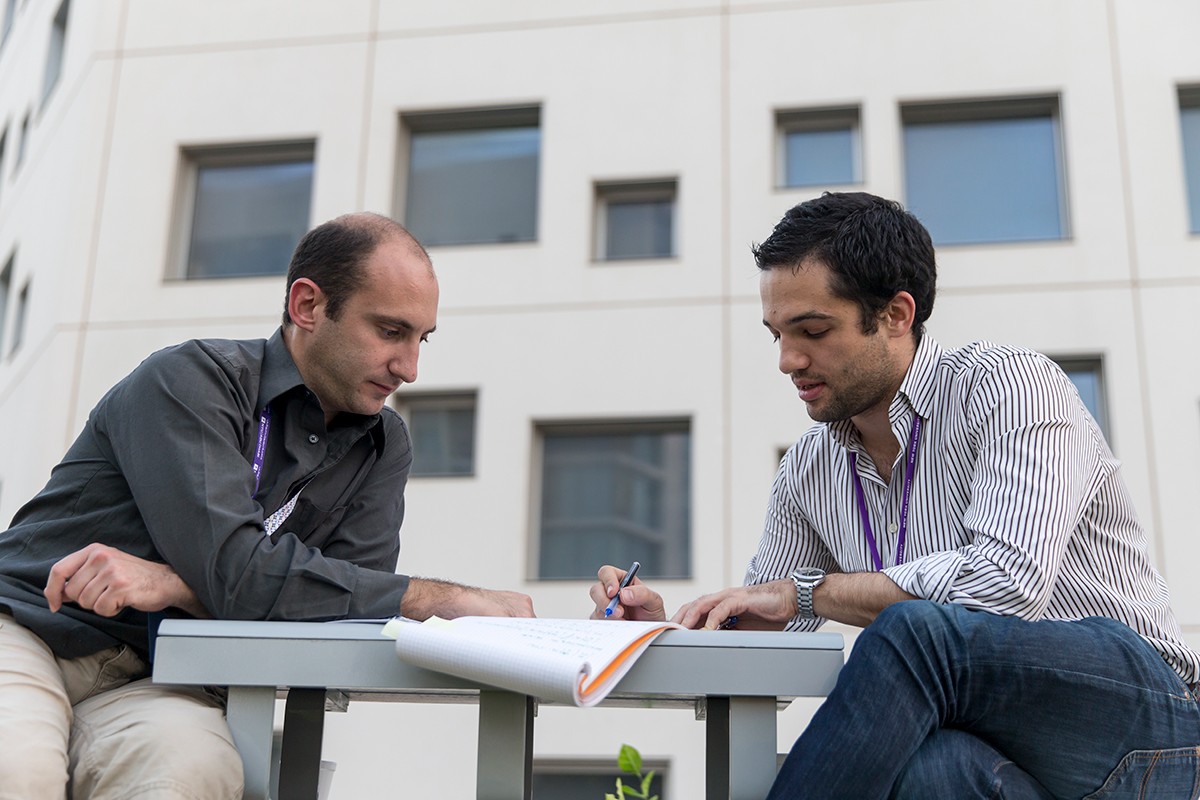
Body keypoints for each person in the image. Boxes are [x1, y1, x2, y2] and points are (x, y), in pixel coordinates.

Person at [591, 192, 1200, 798]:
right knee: (930, 768)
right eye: (776, 335)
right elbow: (763, 637)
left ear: (896, 315)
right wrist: (662, 635)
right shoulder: (808, 469)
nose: (787, 360)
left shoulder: (1011, 386)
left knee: (914, 635)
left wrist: (808, 593)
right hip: (993, 748)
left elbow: (1005, 586)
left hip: (1145, 726)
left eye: (813, 330)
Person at [0, 212, 534, 799]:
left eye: (420, 339)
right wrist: (438, 600)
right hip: (30, 627)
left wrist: (177, 584)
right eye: (390, 331)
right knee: (18, 771)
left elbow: (344, 618)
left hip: (162, 675)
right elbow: (242, 577)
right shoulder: (192, 379)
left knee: (191, 777)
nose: (409, 369)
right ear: (307, 306)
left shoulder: (384, 444)